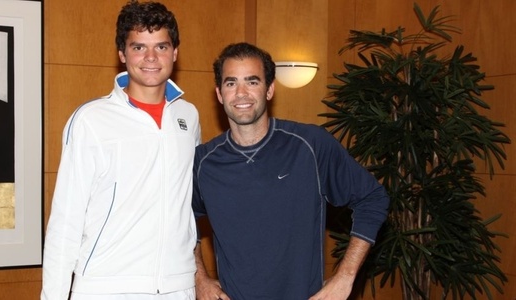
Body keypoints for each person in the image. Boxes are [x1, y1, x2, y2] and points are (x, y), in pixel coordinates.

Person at [192, 42, 389, 300]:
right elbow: (181, 223)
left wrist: (345, 277)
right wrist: (200, 279)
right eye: (231, 83)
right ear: (219, 93)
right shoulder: (204, 162)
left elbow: (372, 198)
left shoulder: (310, 145)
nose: (241, 93)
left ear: (269, 89)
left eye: (252, 82)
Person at [41, 1, 201, 299]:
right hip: (106, 287)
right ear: (122, 53)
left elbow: (187, 204)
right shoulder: (91, 119)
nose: (151, 57)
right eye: (139, 47)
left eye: (161, 47)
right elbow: (66, 220)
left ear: (175, 52)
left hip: (177, 287)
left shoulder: (188, 116)